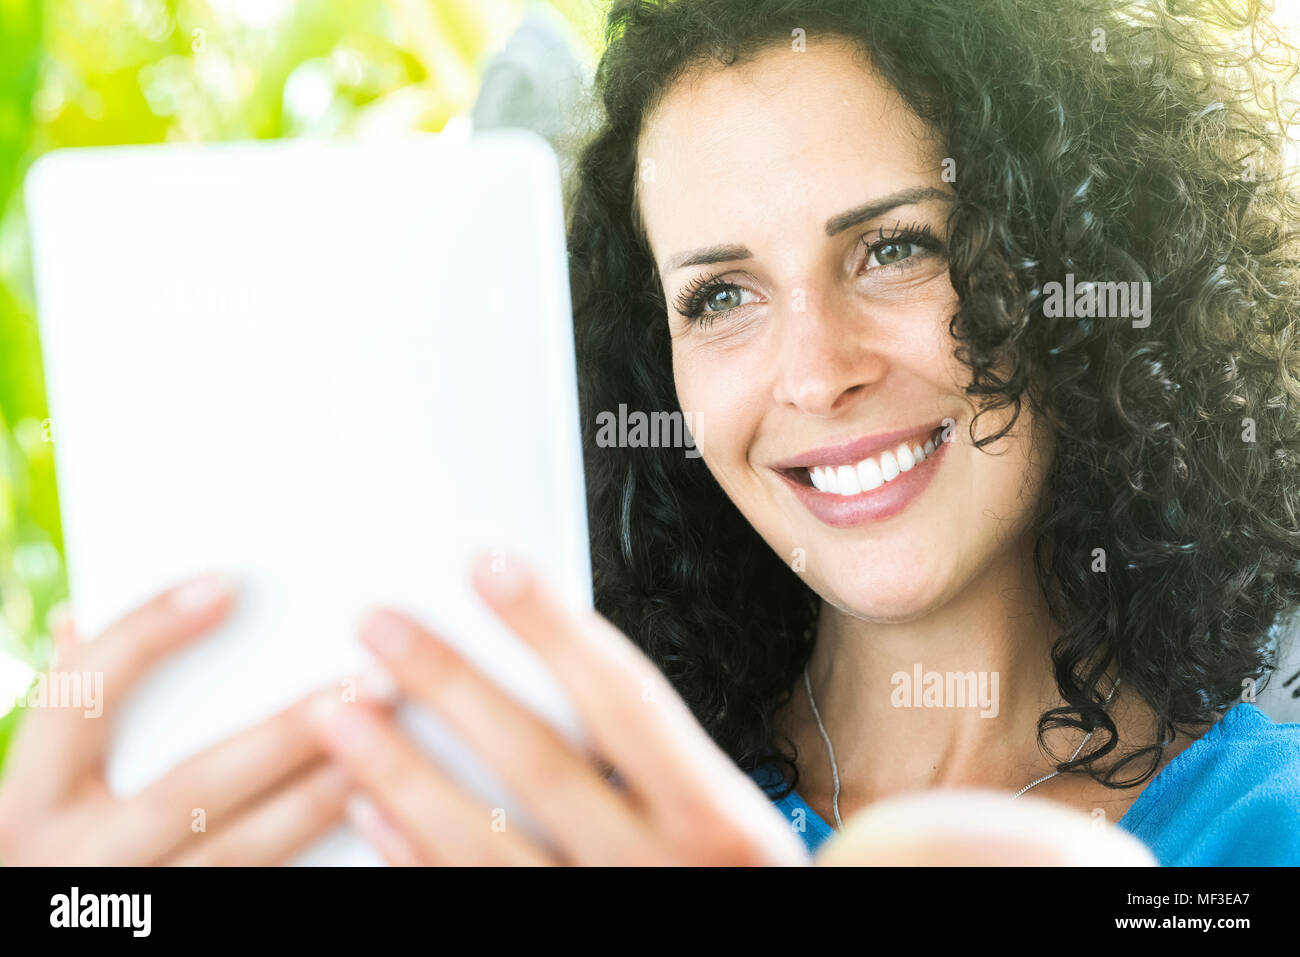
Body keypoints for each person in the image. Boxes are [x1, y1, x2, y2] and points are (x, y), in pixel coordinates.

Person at [2, 0, 1299, 866]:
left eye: (895, 248)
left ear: (1074, 257)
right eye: (720, 295)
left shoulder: (1260, 824)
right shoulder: (534, 802)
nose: (814, 370)